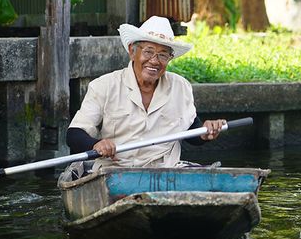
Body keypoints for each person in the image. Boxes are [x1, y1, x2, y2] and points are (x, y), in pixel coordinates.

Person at [66, 15, 226, 168]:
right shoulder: (104, 86)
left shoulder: (180, 86)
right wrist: (96, 144)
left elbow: (191, 128)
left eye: (163, 55)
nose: (155, 61)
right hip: (115, 172)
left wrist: (205, 132)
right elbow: (74, 134)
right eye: (148, 52)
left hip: (167, 171)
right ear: (132, 51)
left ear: (170, 58)